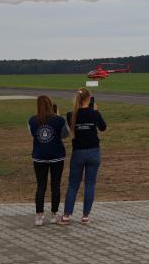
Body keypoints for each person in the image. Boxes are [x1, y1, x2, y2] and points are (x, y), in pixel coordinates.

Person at [59, 89, 107, 224]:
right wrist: (96, 111)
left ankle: (67, 215)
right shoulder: (94, 113)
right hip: (93, 151)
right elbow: (103, 128)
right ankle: (85, 216)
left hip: (78, 152)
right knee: (90, 184)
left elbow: (68, 131)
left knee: (73, 185)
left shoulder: (71, 115)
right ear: (89, 98)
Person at [28, 96, 69, 226]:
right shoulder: (59, 120)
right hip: (57, 156)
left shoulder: (32, 120)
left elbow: (32, 134)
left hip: (39, 156)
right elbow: (65, 134)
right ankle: (53, 214)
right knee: (55, 185)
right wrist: (58, 117)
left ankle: (39, 216)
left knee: (41, 185)